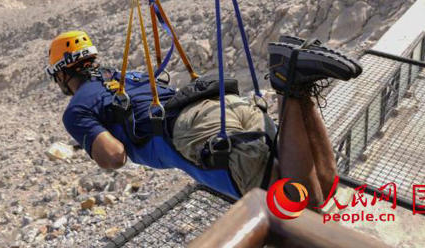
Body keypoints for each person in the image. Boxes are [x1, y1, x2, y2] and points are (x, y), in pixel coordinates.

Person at [46, 30, 361, 204]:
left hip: (197, 133)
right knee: (324, 185)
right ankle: (300, 84)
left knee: (297, 203)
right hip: (225, 106)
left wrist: (93, 143)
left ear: (61, 75)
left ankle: (289, 80)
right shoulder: (126, 76)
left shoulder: (77, 109)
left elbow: (115, 156)